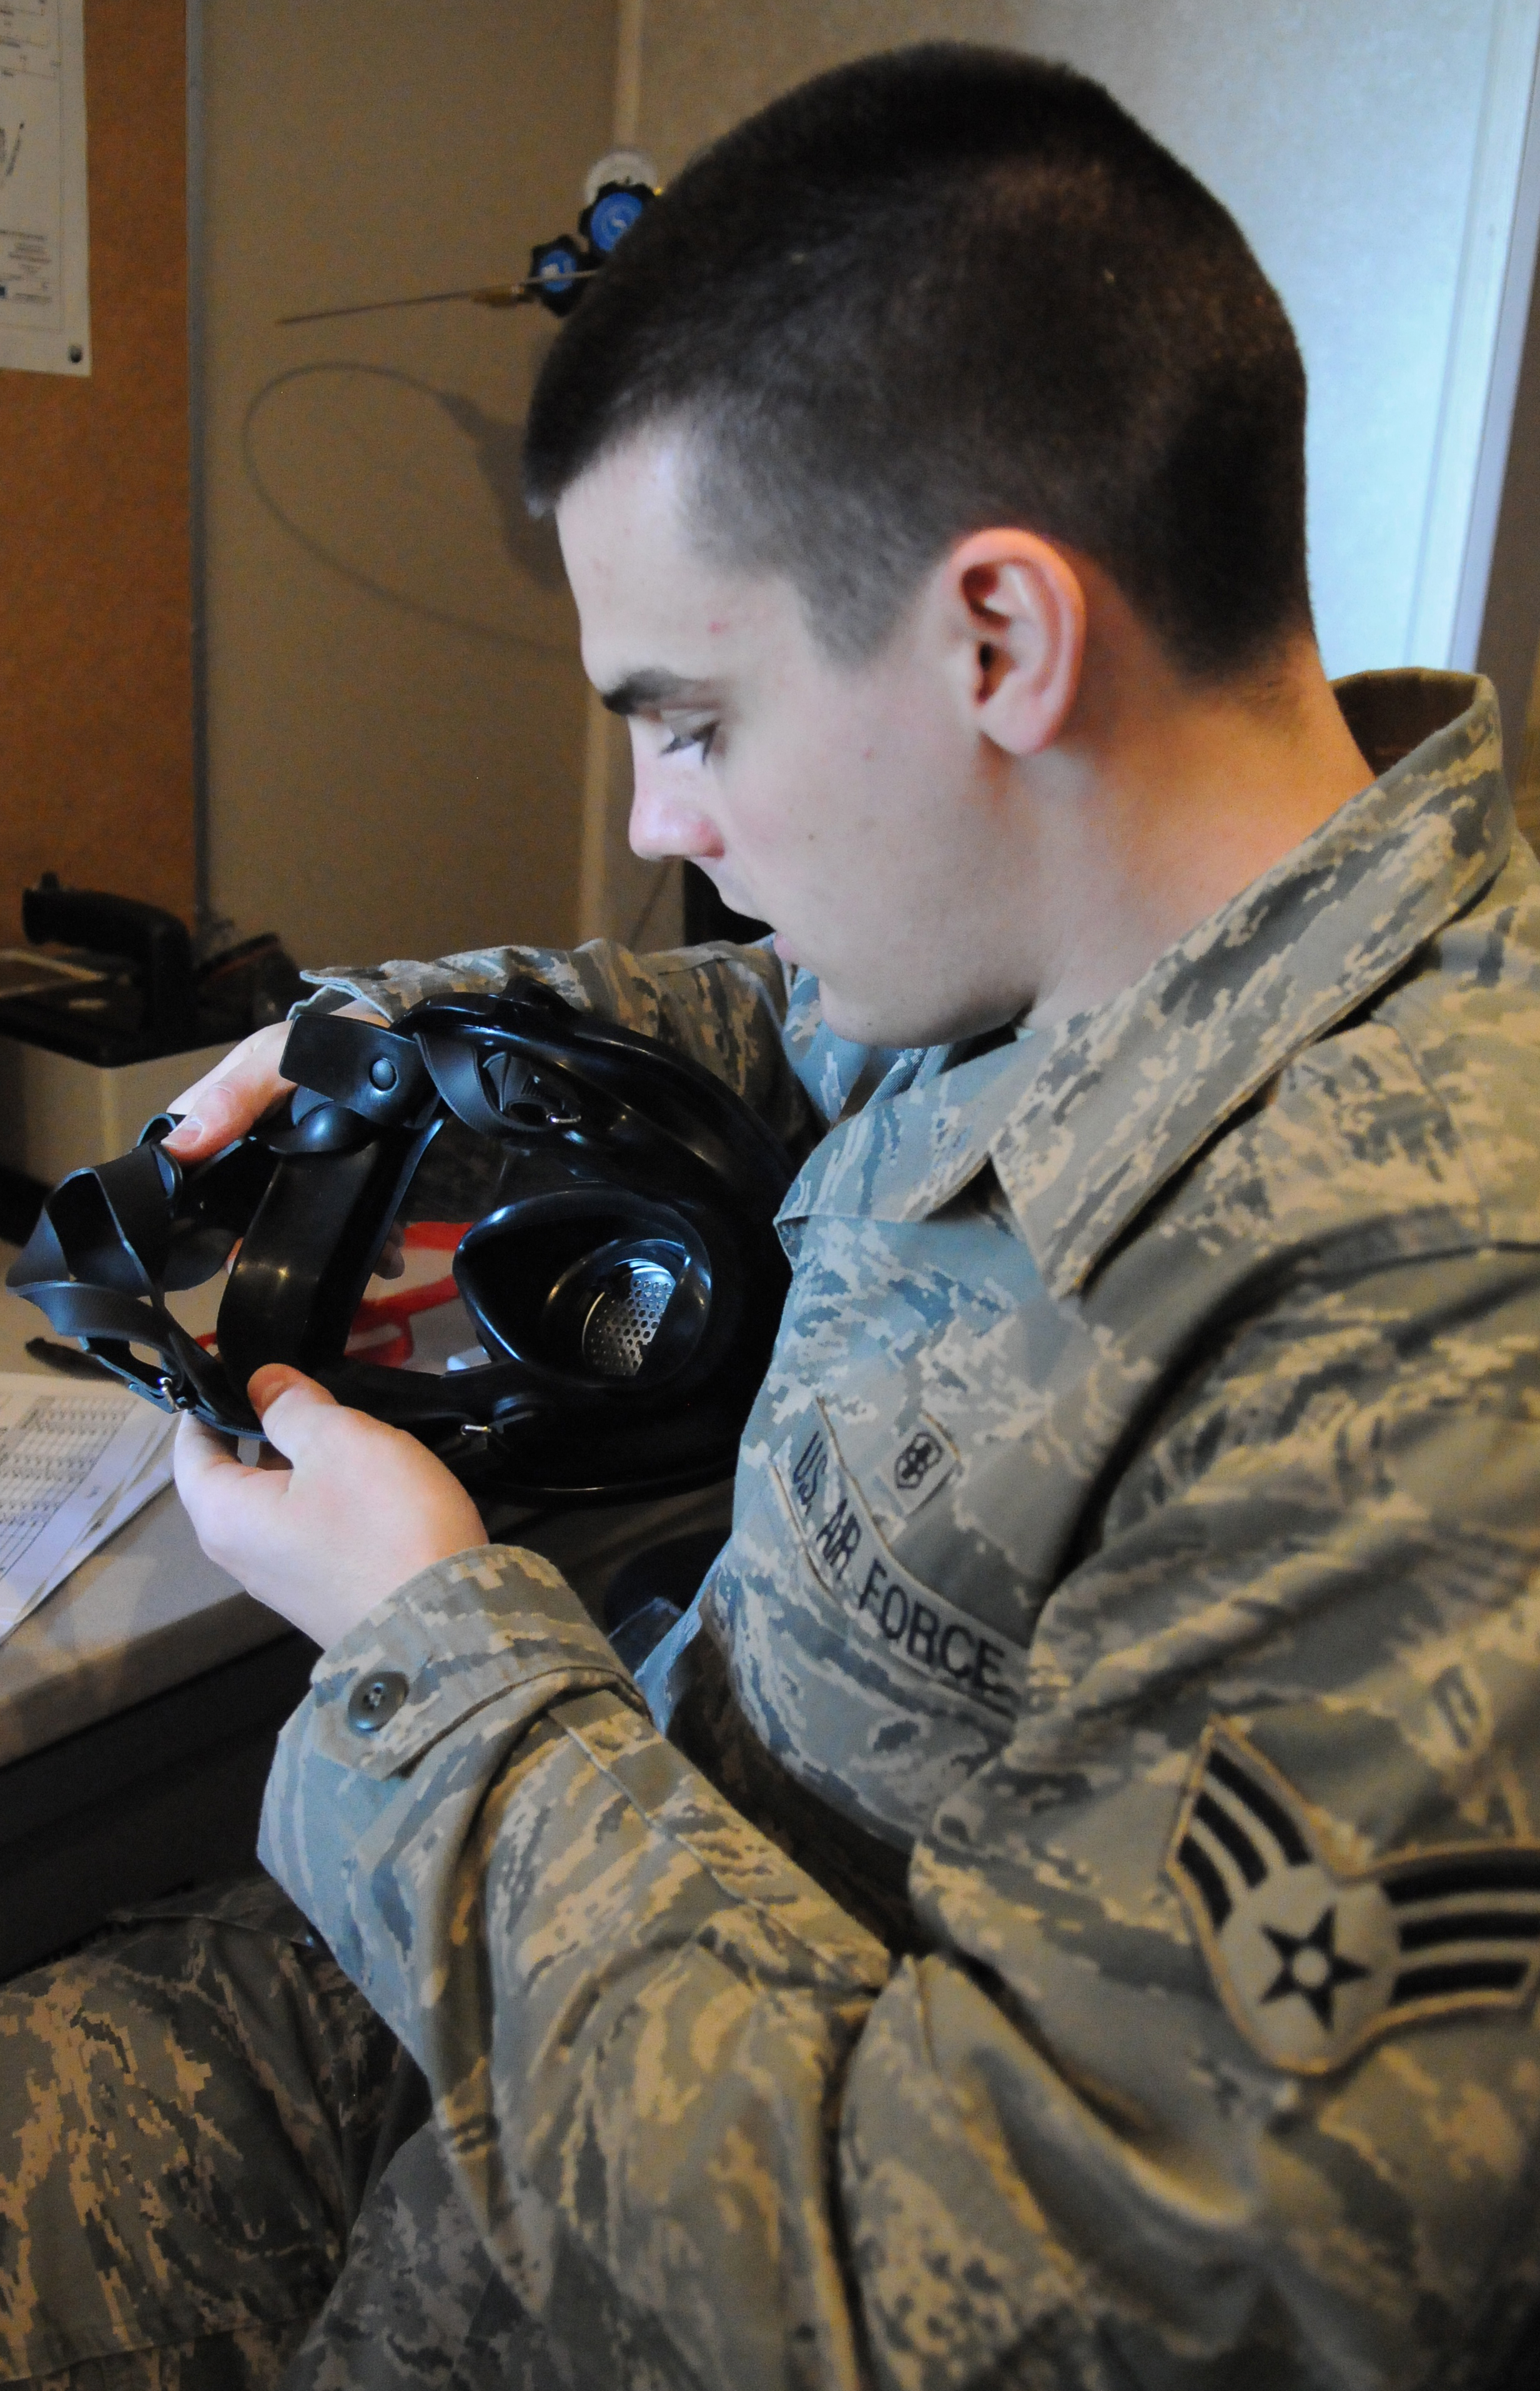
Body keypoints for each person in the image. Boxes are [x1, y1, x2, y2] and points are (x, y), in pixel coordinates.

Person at [6, 39, 1540, 2391]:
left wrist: (424, 1646)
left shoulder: (1428, 1325)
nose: (659, 812)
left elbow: (1031, 2315)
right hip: (471, 2042)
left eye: (693, 721)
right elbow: (770, 1034)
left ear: (996, 641)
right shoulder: (1097, 925)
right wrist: (381, 1027)